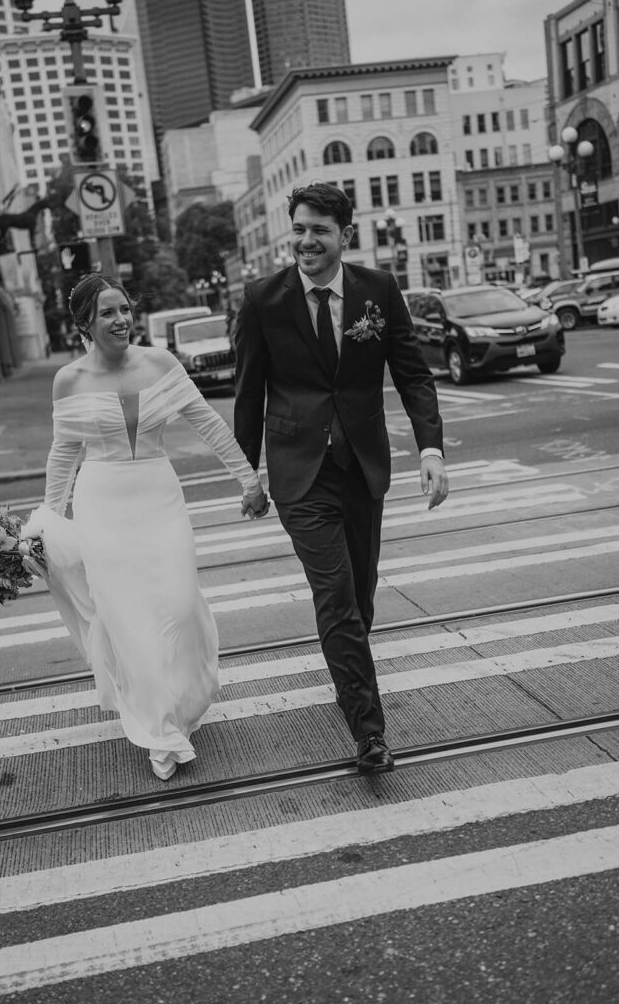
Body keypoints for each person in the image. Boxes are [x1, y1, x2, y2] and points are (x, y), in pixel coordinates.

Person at [234, 182, 448, 774]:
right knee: (335, 598)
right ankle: (370, 732)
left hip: (362, 465)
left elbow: (413, 375)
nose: (306, 240)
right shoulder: (262, 300)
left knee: (359, 595)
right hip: (299, 472)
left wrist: (430, 449)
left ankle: (348, 678)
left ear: (344, 236)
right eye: (299, 228)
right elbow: (248, 395)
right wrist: (248, 472)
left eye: (319, 230)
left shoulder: (377, 291)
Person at [24, 274, 269, 781]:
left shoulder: (161, 363)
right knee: (129, 620)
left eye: (125, 309)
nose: (122, 320)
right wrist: (47, 520)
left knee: (178, 605)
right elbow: (63, 451)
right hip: (103, 508)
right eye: (108, 313)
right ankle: (159, 731)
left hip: (160, 498)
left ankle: (182, 701)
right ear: (85, 325)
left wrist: (249, 480)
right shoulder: (68, 380)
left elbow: (209, 424)